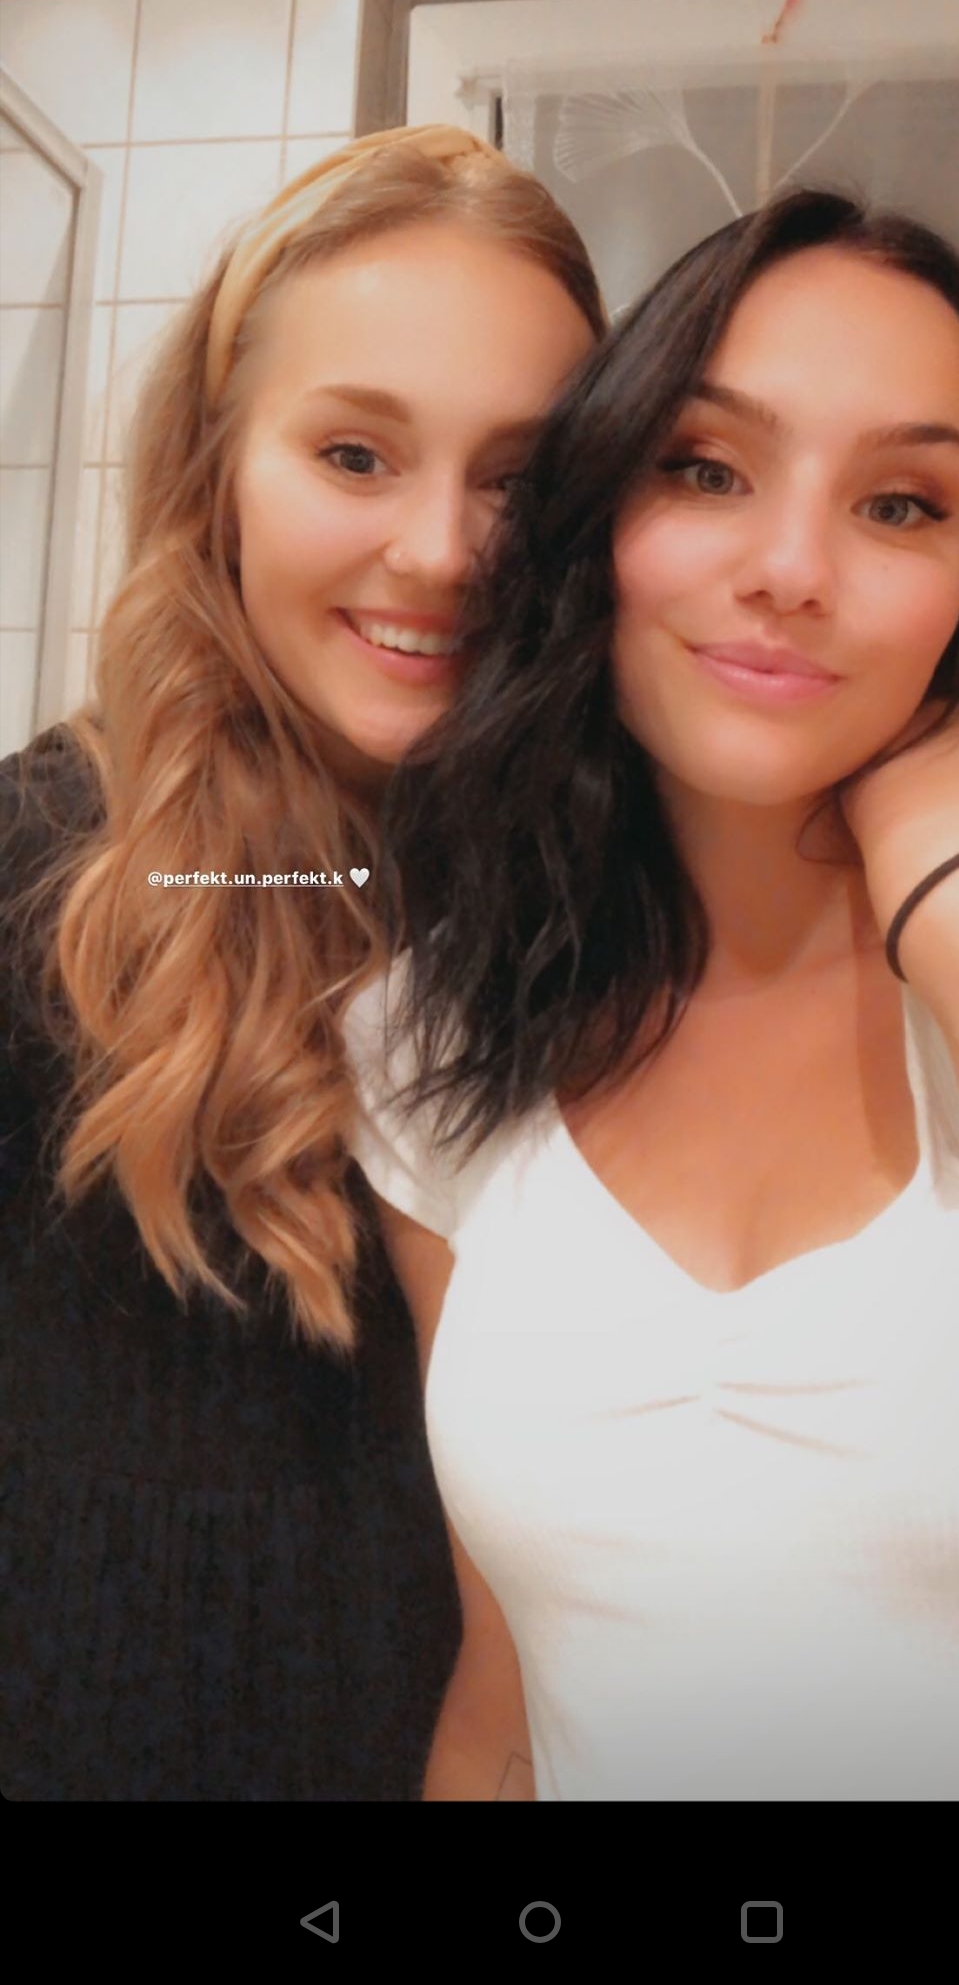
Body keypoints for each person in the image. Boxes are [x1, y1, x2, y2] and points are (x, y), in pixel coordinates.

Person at [346, 188, 959, 1803]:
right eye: (705, 469)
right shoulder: (429, 1040)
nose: (794, 569)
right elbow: (506, 1701)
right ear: (596, 517)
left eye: (901, 504)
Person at [0, 125, 604, 1801]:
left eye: (518, 481)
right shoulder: (46, 876)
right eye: (354, 454)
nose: (443, 551)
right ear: (217, 472)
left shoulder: (614, 893)